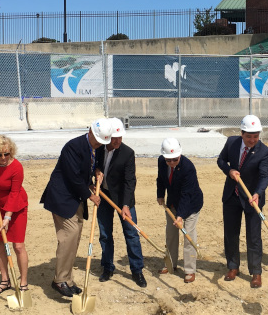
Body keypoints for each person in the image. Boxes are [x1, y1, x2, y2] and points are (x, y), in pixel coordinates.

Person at [40, 119, 112, 297]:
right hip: (62, 197)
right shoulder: (72, 147)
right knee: (68, 236)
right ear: (90, 132)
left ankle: (67, 279)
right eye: (97, 141)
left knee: (75, 237)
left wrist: (98, 170)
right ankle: (59, 281)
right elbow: (73, 177)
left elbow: (98, 162)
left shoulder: (100, 146)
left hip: (76, 198)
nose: (99, 145)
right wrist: (91, 195)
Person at [217, 114, 268, 288]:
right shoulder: (231, 142)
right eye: (249, 136)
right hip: (231, 195)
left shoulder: (264, 151)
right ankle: (233, 266)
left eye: (256, 136)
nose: (252, 140)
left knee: (254, 236)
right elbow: (220, 160)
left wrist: (258, 193)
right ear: (242, 133)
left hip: (251, 198)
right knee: (231, 233)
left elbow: (264, 176)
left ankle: (256, 272)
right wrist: (229, 171)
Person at [94, 117, 147, 288]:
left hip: (123, 198)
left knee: (131, 234)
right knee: (105, 234)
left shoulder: (127, 153)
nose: (118, 141)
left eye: (120, 137)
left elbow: (130, 181)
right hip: (104, 195)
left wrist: (125, 206)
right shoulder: (99, 149)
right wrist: (95, 172)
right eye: (114, 138)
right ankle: (108, 267)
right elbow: (92, 167)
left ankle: (137, 270)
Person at [0, 135, 30, 294]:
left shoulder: (17, 167)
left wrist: (8, 217)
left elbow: (15, 194)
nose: (2, 158)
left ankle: (23, 282)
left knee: (18, 246)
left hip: (17, 208)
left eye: (6, 154)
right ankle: (5, 280)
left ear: (11, 153)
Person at [156, 137, 204, 283]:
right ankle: (171, 263)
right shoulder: (161, 161)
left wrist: (180, 216)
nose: (171, 162)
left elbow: (186, 194)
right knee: (171, 234)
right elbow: (161, 179)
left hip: (191, 205)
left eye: (174, 159)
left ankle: (189, 270)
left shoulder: (188, 168)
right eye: (168, 160)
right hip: (172, 203)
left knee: (188, 235)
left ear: (180, 155)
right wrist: (160, 194)